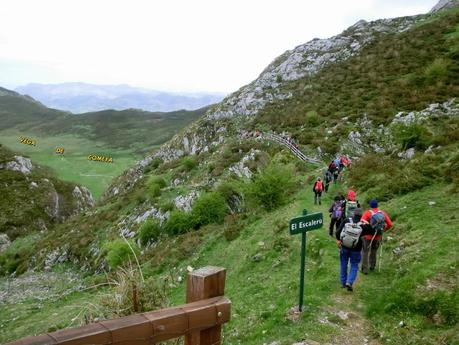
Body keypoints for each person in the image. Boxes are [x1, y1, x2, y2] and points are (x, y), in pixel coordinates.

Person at [336, 208, 374, 291]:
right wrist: (367, 223)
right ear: (361, 216)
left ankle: (343, 283)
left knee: (343, 264)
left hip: (344, 247)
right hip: (356, 249)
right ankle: (349, 282)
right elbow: (372, 231)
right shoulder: (363, 225)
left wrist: (339, 240)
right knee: (354, 265)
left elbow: (337, 232)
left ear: (353, 214)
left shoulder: (346, 220)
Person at [359, 199, 393, 274]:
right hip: (377, 236)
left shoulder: (367, 213)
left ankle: (365, 269)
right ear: (377, 205)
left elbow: (361, 221)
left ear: (370, 206)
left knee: (365, 252)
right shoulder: (382, 213)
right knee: (374, 251)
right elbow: (390, 224)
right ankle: (372, 266)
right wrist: (383, 231)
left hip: (367, 236)